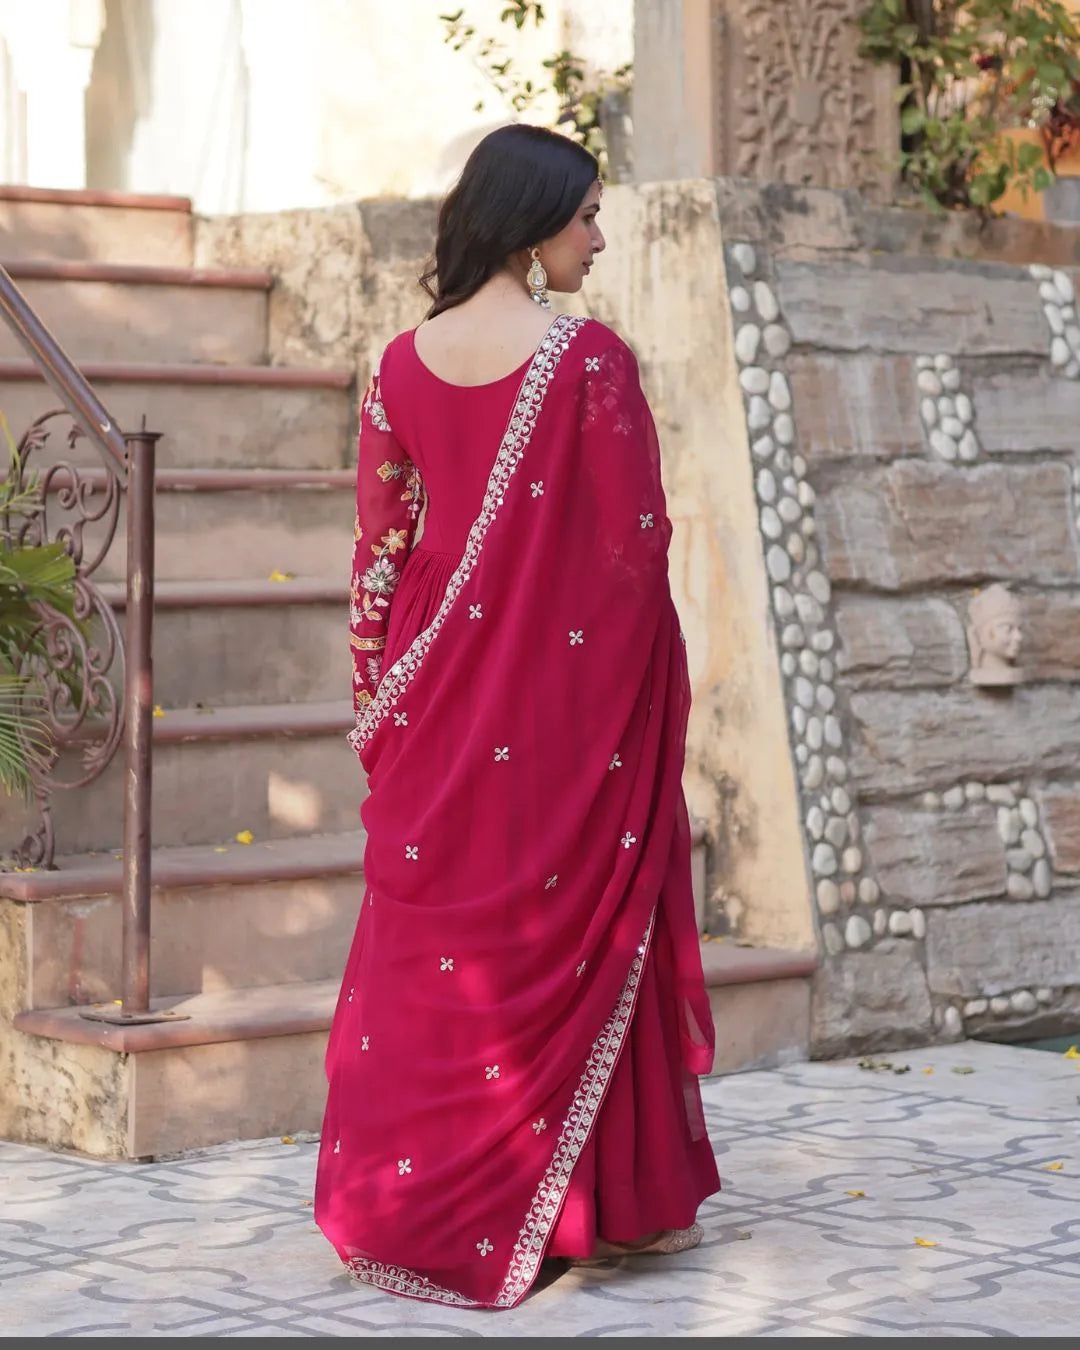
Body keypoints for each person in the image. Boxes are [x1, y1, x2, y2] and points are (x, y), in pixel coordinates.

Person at [314, 122, 721, 1310]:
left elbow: (377, 559)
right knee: (563, 925)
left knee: (447, 944)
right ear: (535, 218)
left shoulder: (399, 362)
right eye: (587, 214)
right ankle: (586, 1203)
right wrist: (632, 713)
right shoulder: (586, 357)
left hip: (436, 694)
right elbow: (630, 554)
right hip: (556, 700)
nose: (599, 236)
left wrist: (378, 713)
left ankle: (413, 1200)